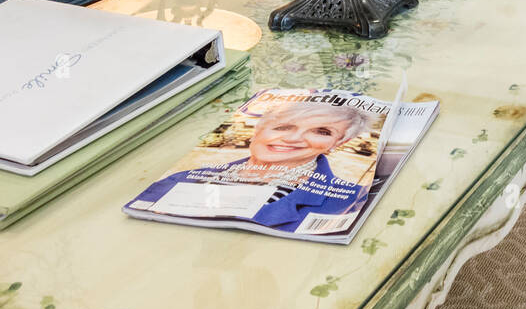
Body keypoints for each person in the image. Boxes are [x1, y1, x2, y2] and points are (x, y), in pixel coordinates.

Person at [136, 100, 375, 233]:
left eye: (322, 131)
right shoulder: (181, 179)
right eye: (283, 127)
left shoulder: (349, 202)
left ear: (339, 142)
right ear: (259, 130)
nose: (292, 139)